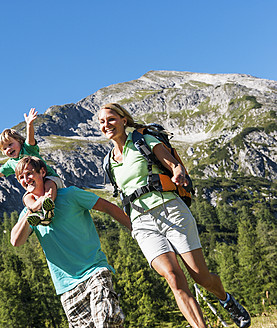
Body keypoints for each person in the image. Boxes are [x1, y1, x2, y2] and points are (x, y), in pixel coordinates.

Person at [98, 102, 251, 328]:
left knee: (200, 276)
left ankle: (226, 300)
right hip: (142, 224)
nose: (106, 125)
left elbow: (173, 165)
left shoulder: (143, 140)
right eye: (101, 122)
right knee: (173, 278)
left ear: (123, 120)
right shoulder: (108, 161)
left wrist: (178, 173)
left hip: (170, 210)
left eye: (110, 119)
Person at [11, 156, 131, 328]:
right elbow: (15, 241)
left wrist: (135, 229)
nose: (26, 179)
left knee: (107, 322)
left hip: (94, 271)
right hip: (66, 286)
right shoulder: (28, 213)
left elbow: (107, 207)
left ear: (42, 172)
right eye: (21, 177)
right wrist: (31, 209)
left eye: (29, 174)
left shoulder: (70, 195)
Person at [0, 107, 64, 225]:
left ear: (19, 141)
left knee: (49, 185)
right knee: (27, 197)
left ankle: (47, 206)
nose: (9, 149)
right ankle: (36, 211)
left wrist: (29, 124)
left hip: (48, 178)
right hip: (33, 187)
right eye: (5, 148)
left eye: (10, 144)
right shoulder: (10, 163)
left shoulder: (28, 148)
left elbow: (30, 138)